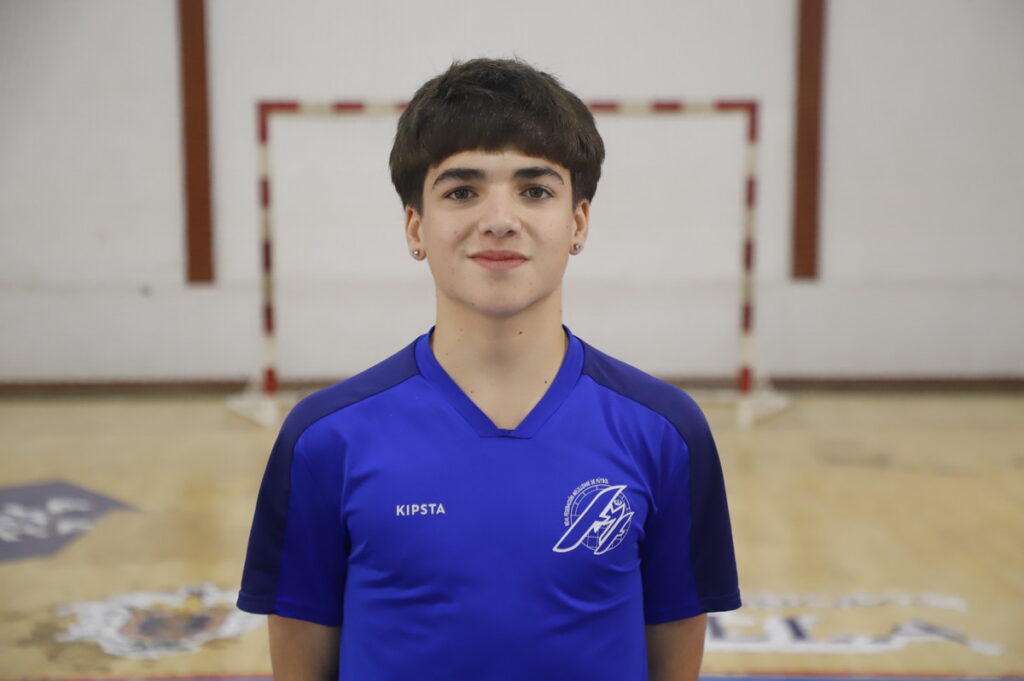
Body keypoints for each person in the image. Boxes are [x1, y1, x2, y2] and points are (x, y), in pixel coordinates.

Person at [237, 56, 740, 681]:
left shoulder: (666, 432)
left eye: (535, 190)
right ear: (415, 226)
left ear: (577, 222)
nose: (500, 219)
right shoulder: (323, 440)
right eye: (462, 191)